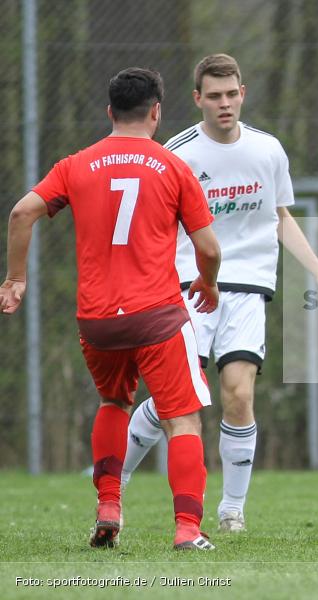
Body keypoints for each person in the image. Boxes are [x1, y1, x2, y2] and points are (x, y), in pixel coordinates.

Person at [120, 54, 318, 533]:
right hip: (189, 285)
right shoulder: (179, 154)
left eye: (231, 94)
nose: (224, 103)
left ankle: (231, 510)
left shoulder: (268, 150)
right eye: (214, 96)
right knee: (173, 400)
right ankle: (113, 486)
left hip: (249, 287)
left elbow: (280, 218)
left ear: (242, 94)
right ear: (198, 99)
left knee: (239, 394)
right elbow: (156, 227)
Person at [1, 68, 221, 550]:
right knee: (182, 419)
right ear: (156, 112)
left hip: (98, 321)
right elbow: (208, 247)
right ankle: (187, 529)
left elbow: (21, 212)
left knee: (114, 402)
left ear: (109, 112)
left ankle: (108, 507)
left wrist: (16, 278)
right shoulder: (173, 166)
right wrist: (207, 282)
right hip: (157, 316)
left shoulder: (75, 165)